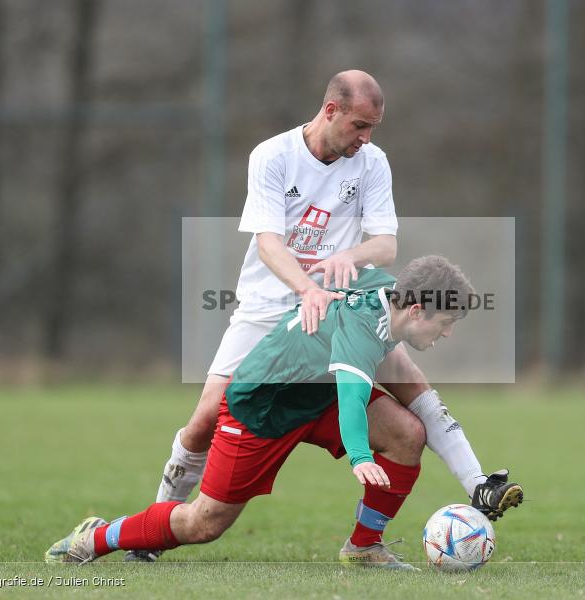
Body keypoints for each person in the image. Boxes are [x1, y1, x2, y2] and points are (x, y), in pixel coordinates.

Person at [129, 70, 496, 561]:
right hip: (267, 310)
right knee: (201, 424)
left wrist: (352, 257)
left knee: (414, 407)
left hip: (344, 313)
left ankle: (432, 509)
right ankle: (154, 531)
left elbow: (386, 245)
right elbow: (267, 243)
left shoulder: (372, 163)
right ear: (331, 111)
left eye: (374, 129)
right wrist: (306, 289)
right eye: (360, 126)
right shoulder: (272, 155)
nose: (366, 138)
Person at [47, 256, 524, 569]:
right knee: (203, 524)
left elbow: (428, 405)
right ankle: (101, 536)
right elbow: (354, 400)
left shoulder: (385, 292)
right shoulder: (363, 331)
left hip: (314, 396)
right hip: (262, 407)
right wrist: (359, 457)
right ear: (417, 309)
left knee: (407, 432)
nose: (449, 334)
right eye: (446, 323)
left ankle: (363, 548)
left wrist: (478, 483)